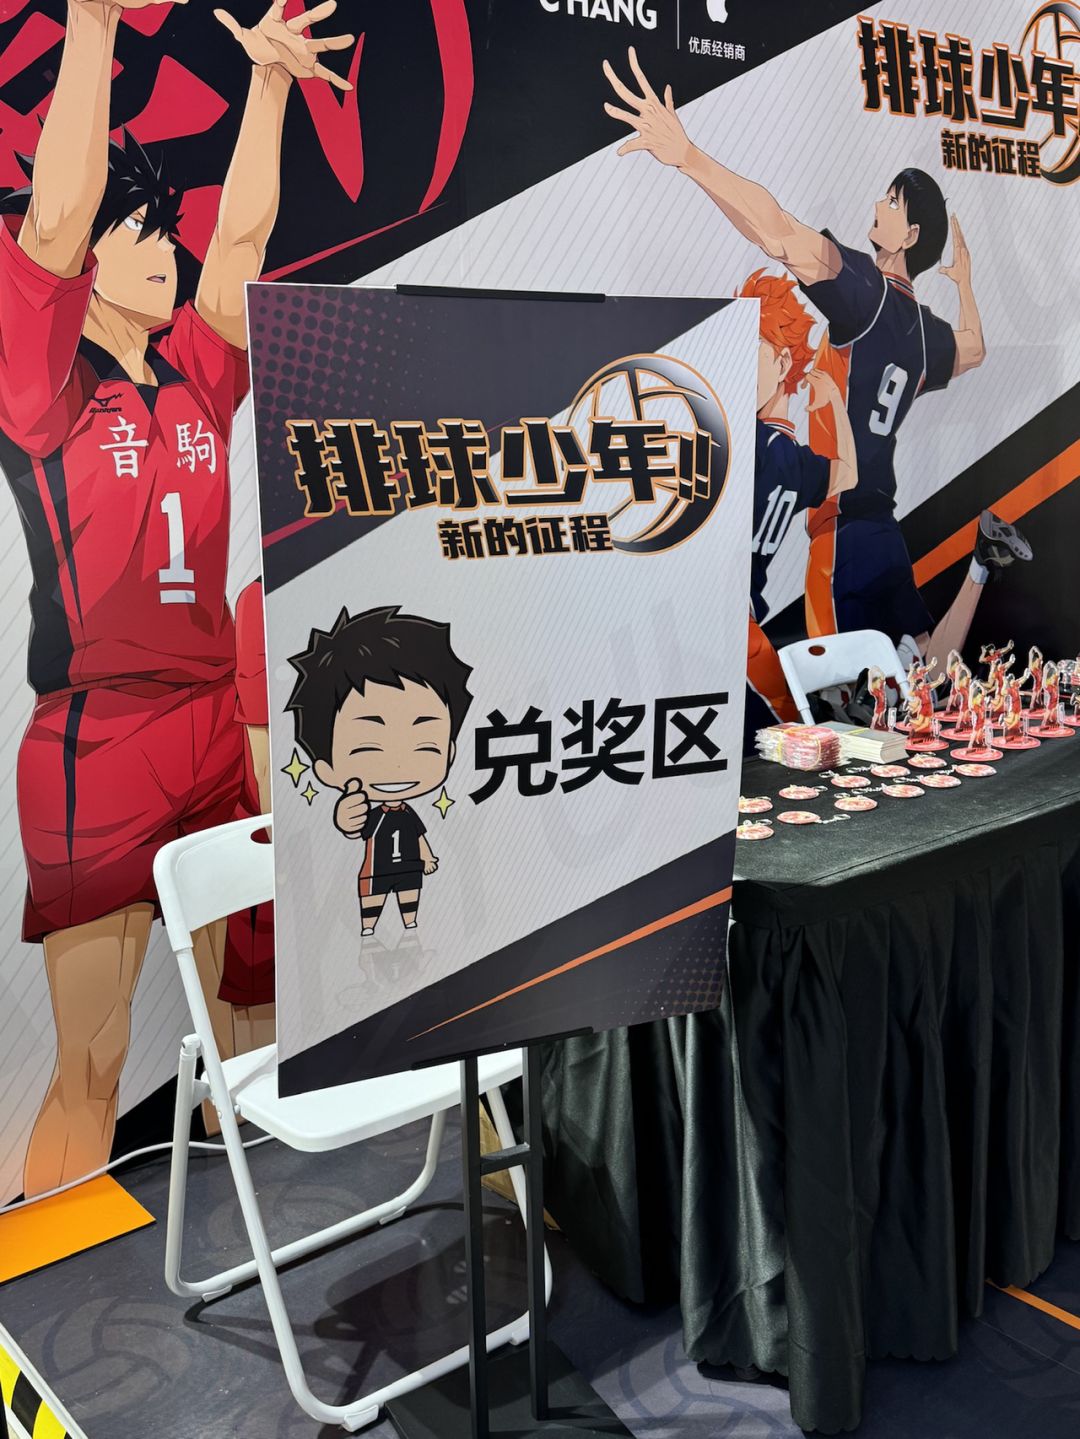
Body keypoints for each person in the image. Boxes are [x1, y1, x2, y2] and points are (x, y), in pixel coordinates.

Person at [0, 0, 354, 1197]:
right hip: (97, 741)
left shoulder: (198, 373)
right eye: (143, 233)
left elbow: (242, 240)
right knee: (92, 1062)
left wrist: (270, 88)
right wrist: (95, 25)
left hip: (208, 726)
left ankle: (267, 1248)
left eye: (167, 231)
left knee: (253, 1028)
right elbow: (54, 219)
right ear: (88, 266)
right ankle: (39, 1286)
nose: (170, 249)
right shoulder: (42, 387)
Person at [602, 48, 1031, 659]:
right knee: (925, 668)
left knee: (839, 683)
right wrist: (963, 286)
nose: (878, 207)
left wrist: (689, 157)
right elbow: (976, 350)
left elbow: (776, 230)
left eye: (891, 203)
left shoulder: (865, 294)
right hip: (883, 522)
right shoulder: (926, 333)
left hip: (839, 525)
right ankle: (981, 568)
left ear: (909, 236)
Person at [286, 606, 473, 937]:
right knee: (372, 899)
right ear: (326, 770)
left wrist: (428, 858)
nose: (399, 761)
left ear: (450, 752)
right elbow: (354, 828)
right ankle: (369, 931)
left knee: (409, 899)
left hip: (409, 869)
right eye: (368, 748)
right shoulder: (371, 812)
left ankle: (410, 926)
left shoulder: (408, 813)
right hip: (375, 872)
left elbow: (420, 837)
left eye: (425, 745)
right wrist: (345, 819)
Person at [740, 269, 857, 745]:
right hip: (734, 622)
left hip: (735, 624)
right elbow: (847, 472)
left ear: (783, 359)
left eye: (749, 352)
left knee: (790, 737)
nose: (736, 366)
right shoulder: (795, 458)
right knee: (787, 731)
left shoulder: (754, 444)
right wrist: (834, 404)